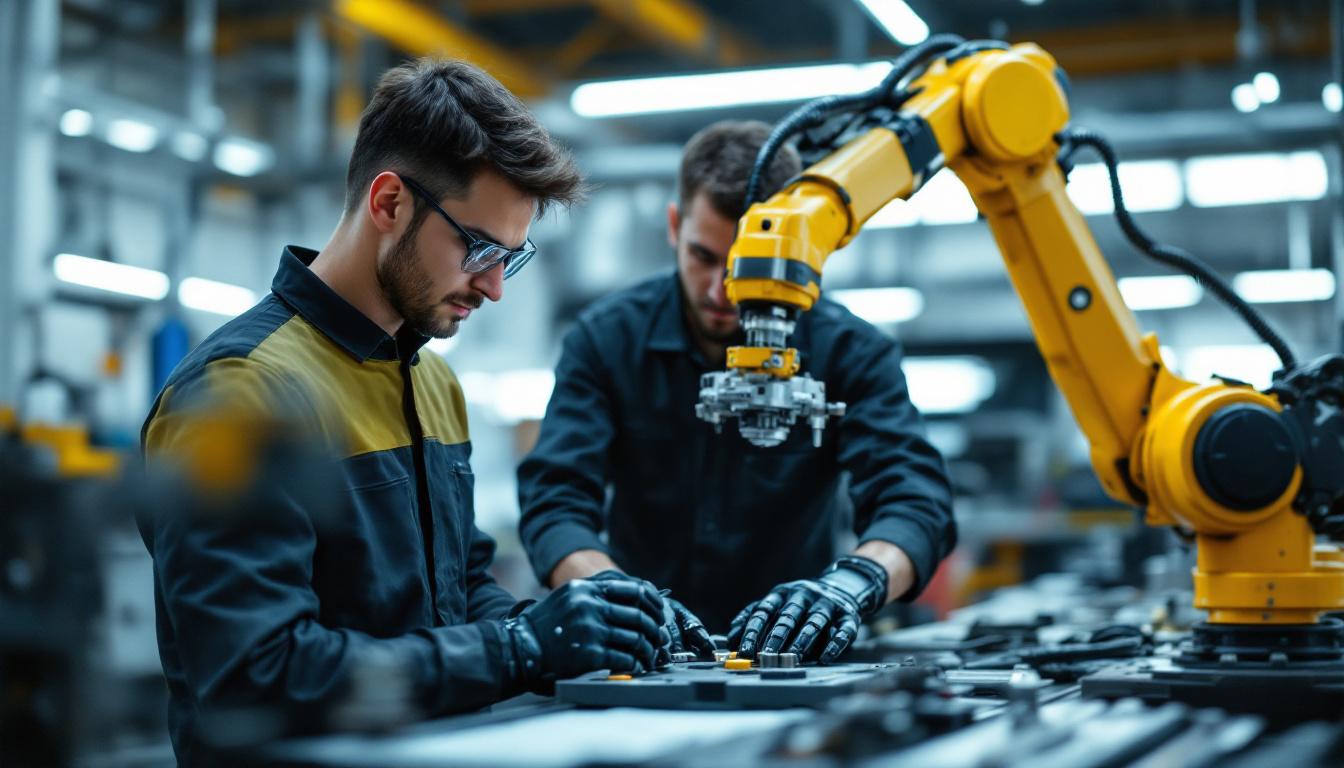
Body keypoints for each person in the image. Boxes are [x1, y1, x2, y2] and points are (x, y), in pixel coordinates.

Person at [139, 58, 666, 765]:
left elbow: (461, 590)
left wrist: (577, 627)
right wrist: (516, 649)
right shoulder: (240, 392)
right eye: (479, 249)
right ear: (389, 204)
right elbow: (256, 676)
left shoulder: (432, 382)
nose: (494, 287)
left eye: (510, 258)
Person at [517, 120, 956, 663]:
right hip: (643, 656)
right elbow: (554, 502)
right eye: (704, 256)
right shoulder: (606, 341)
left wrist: (851, 586)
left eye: (746, 263)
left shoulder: (852, 351)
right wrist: (618, 597)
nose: (722, 290)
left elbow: (915, 499)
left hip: (799, 659)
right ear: (675, 226)